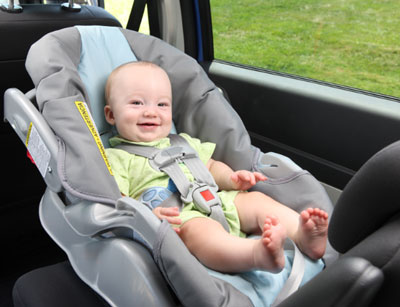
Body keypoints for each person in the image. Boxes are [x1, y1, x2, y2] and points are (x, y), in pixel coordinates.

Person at [104, 61, 329, 273]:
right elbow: (119, 198)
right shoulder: (115, 157)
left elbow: (210, 166)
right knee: (201, 232)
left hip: (217, 197)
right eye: (137, 103)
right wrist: (147, 216)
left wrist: (231, 179)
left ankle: (302, 235)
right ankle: (256, 255)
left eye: (162, 104)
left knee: (255, 201)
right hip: (180, 217)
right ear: (111, 114)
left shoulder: (182, 141)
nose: (151, 112)